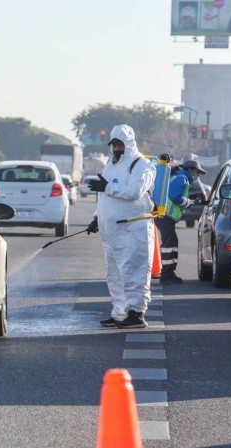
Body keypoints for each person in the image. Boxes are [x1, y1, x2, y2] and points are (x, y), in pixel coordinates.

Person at [86, 124, 156, 329]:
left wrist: (107, 187)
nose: (116, 149)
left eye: (120, 145)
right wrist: (96, 218)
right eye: (114, 145)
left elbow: (134, 192)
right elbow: (104, 198)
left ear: (129, 144)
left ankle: (137, 313)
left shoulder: (142, 165)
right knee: (114, 273)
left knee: (134, 270)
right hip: (111, 230)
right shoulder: (111, 164)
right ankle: (119, 312)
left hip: (133, 229)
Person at [154, 159, 207, 285]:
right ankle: (166, 274)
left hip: (163, 214)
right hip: (165, 215)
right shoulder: (182, 178)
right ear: (190, 170)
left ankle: (169, 272)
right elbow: (175, 196)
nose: (197, 175)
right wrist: (188, 202)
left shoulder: (179, 177)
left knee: (172, 241)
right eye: (196, 172)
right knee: (168, 243)